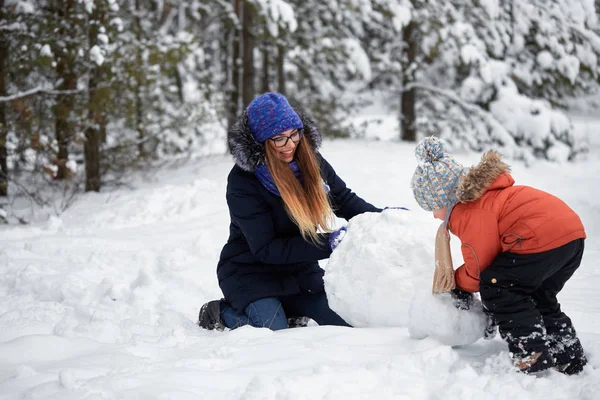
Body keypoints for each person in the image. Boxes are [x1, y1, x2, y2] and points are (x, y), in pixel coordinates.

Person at [197, 92, 381, 331]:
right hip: (251, 273)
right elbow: (266, 249)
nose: (291, 144)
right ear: (262, 141)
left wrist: (383, 219)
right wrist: (330, 243)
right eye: (279, 139)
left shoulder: (311, 161)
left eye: (295, 134)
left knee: (345, 320)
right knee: (273, 332)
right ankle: (219, 312)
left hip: (299, 270)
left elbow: (344, 200)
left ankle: (290, 309)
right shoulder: (243, 182)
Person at [410, 136, 587, 375]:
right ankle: (567, 355)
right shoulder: (488, 197)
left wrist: (456, 283)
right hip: (571, 238)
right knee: (535, 294)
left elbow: (480, 267)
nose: (434, 216)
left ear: (448, 199)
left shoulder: (470, 211)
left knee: (499, 287)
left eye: (434, 208)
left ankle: (530, 355)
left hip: (540, 240)